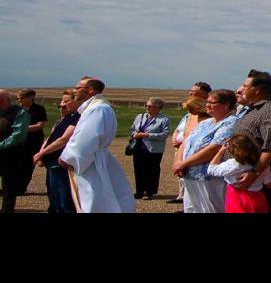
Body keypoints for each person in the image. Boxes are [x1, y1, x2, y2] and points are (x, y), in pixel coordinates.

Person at [59, 77, 135, 213]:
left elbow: (86, 138)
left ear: (90, 90)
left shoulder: (97, 109)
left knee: (94, 199)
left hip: (90, 161)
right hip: (94, 157)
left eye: (78, 88)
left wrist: (68, 158)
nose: (74, 91)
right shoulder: (97, 107)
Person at [173, 89, 238, 213]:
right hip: (190, 175)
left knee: (209, 209)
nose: (207, 105)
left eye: (212, 102)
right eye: (207, 101)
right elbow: (186, 141)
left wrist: (184, 164)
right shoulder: (206, 122)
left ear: (226, 105)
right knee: (191, 209)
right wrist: (178, 162)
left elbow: (215, 148)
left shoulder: (230, 123)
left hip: (209, 178)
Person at [232, 69, 271, 213]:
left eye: (246, 86)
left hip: (257, 181)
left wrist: (254, 173)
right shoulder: (253, 108)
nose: (242, 88)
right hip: (244, 176)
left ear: (257, 90)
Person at [33, 90, 81, 213]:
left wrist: (42, 153)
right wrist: (42, 153)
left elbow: (63, 140)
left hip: (60, 162)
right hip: (51, 162)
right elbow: (51, 137)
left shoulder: (77, 118)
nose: (62, 105)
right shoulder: (64, 119)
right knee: (53, 194)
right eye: (61, 101)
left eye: (66, 101)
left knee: (63, 196)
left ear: (76, 101)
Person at [207, 134, 271, 213]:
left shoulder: (232, 165)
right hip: (257, 199)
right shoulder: (261, 164)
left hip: (237, 200)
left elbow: (211, 169)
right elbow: (269, 184)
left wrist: (221, 151)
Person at [169, 93, 210, 205]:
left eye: (192, 108)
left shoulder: (208, 120)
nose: (190, 111)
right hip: (186, 152)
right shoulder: (190, 117)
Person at [128, 97, 170, 200]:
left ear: (157, 108)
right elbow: (132, 129)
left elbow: (165, 134)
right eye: (146, 105)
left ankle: (150, 191)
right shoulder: (140, 117)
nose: (147, 108)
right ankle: (139, 191)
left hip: (154, 149)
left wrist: (148, 135)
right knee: (138, 169)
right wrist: (135, 135)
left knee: (152, 170)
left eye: (150, 106)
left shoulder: (163, 119)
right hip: (138, 147)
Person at [0, 89, 29, 213]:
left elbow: (18, 135)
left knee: (9, 188)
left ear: (7, 100)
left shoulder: (20, 113)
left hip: (11, 156)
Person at [14, 89, 47, 196]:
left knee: (28, 164)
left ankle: (21, 188)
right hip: (18, 141)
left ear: (29, 98)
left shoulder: (39, 109)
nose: (19, 100)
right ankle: (11, 187)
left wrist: (23, 129)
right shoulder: (17, 109)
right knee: (15, 163)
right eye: (18, 98)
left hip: (33, 141)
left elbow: (40, 125)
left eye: (21, 98)